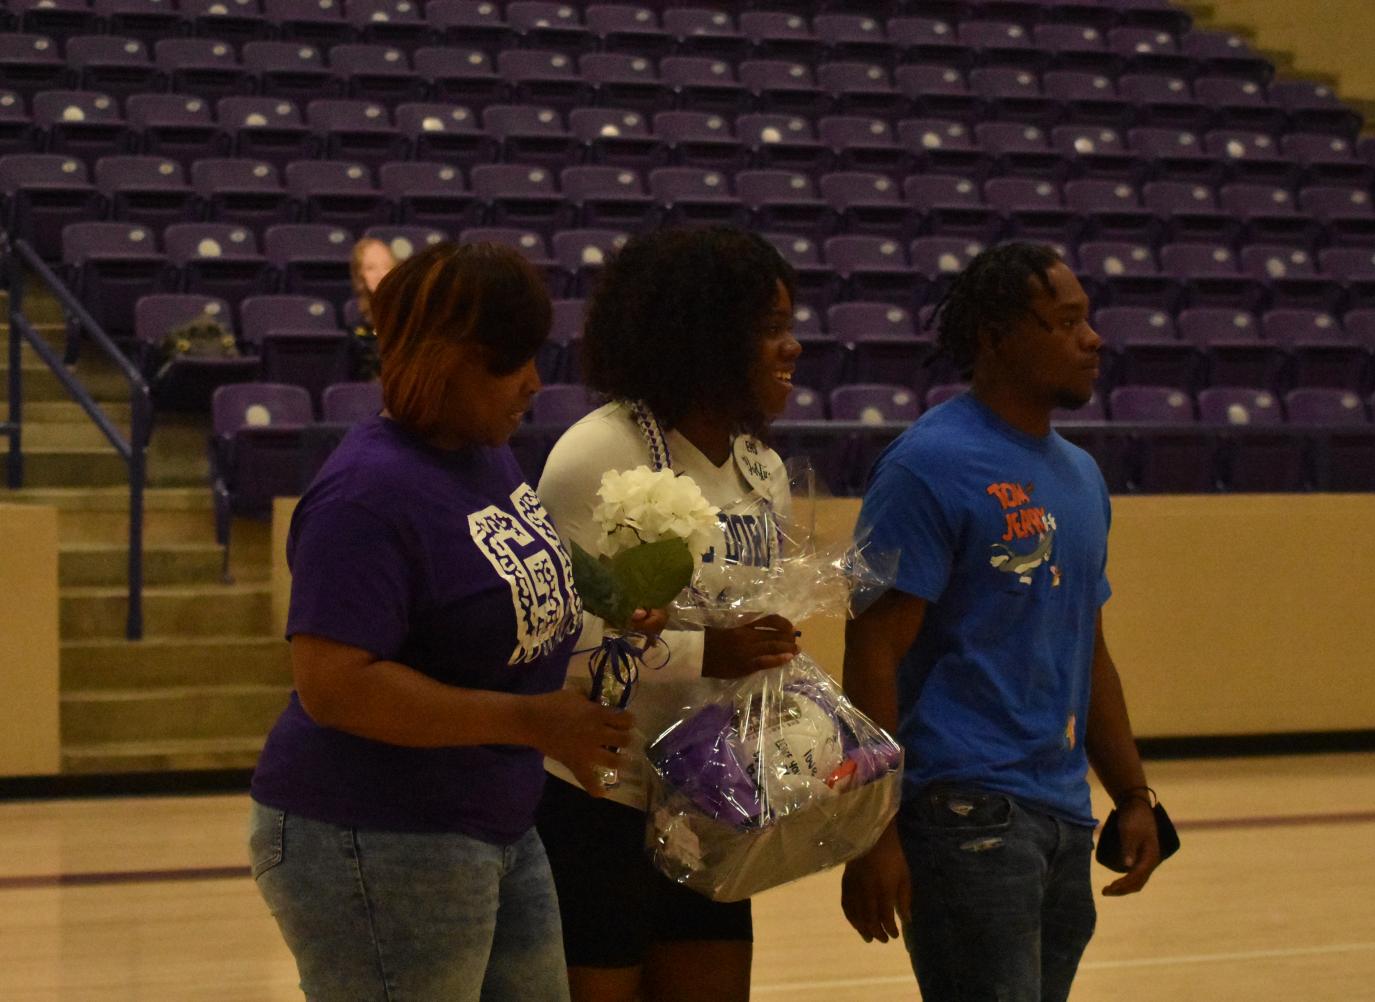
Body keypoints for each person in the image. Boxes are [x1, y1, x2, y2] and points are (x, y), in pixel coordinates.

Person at [248, 241, 648, 1002]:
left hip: (491, 817)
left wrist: (611, 597)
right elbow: (334, 687)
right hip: (372, 833)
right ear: (446, 361)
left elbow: (504, 577)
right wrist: (532, 722)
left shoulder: (483, 454)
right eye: (511, 362)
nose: (533, 381)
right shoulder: (365, 496)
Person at [839, 242, 1163, 1002]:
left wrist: (1133, 795)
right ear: (993, 337)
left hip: (1063, 814)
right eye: (1065, 322)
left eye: (1087, 320)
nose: (1093, 340)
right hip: (964, 814)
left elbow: (1089, 650)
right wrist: (873, 830)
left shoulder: (1080, 474)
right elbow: (872, 646)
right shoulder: (926, 465)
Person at [534, 226, 805, 1002]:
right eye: (768, 329)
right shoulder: (595, 452)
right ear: (701, 335)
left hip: (707, 796)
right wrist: (702, 655)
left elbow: (759, 623)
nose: (790, 348)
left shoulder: (765, 469)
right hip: (598, 799)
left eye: (789, 324)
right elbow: (551, 640)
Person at [348, 236, 395, 379]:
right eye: (370, 268)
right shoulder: (358, 323)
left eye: (386, 266)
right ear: (360, 275)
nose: (381, 274)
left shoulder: (414, 312)